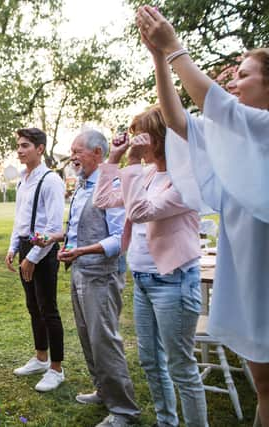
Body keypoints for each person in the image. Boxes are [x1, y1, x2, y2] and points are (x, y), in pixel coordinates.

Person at [137, 6, 269, 424]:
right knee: (264, 385)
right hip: (251, 280)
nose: (233, 80)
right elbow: (178, 120)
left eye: (243, 74)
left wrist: (174, 45)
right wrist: (159, 57)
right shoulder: (234, 138)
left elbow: (215, 104)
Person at [93, 106, 208, 427]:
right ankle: (166, 422)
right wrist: (114, 159)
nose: (134, 141)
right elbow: (103, 200)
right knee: (151, 362)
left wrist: (130, 164)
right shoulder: (144, 174)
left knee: (180, 367)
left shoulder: (185, 180)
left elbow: (141, 211)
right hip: (143, 279)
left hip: (174, 281)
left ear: (159, 137)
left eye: (140, 134)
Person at [58, 130, 139, 427]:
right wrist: (66, 245)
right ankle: (104, 391)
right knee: (86, 336)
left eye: (78, 151)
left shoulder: (113, 184)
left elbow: (120, 240)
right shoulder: (81, 186)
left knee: (104, 340)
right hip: (80, 270)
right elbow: (80, 228)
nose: (73, 156)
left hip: (103, 276)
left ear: (98, 153)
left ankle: (125, 411)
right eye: (71, 150)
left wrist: (81, 250)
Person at [4, 128, 66, 393]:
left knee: (48, 308)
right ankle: (41, 358)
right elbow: (20, 218)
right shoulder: (22, 180)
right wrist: (13, 247)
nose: (19, 150)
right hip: (25, 246)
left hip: (44, 249)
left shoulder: (50, 180)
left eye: (25, 145)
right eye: (18, 145)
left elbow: (53, 226)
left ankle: (56, 368)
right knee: (33, 307)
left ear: (40, 149)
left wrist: (32, 257)